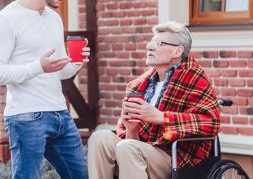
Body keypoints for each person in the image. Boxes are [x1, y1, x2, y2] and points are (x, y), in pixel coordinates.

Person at [0, 0, 90, 179]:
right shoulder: (6, 20)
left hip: (60, 114)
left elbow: (59, 71)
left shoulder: (54, 18)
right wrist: (38, 67)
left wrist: (76, 62)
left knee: (79, 175)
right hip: (26, 117)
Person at [87, 21, 220, 179]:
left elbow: (211, 122)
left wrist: (162, 117)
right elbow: (133, 141)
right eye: (151, 42)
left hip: (177, 157)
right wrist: (131, 129)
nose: (149, 47)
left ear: (178, 51)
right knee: (99, 138)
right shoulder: (139, 85)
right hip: (141, 149)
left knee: (128, 147)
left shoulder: (194, 78)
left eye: (158, 43)